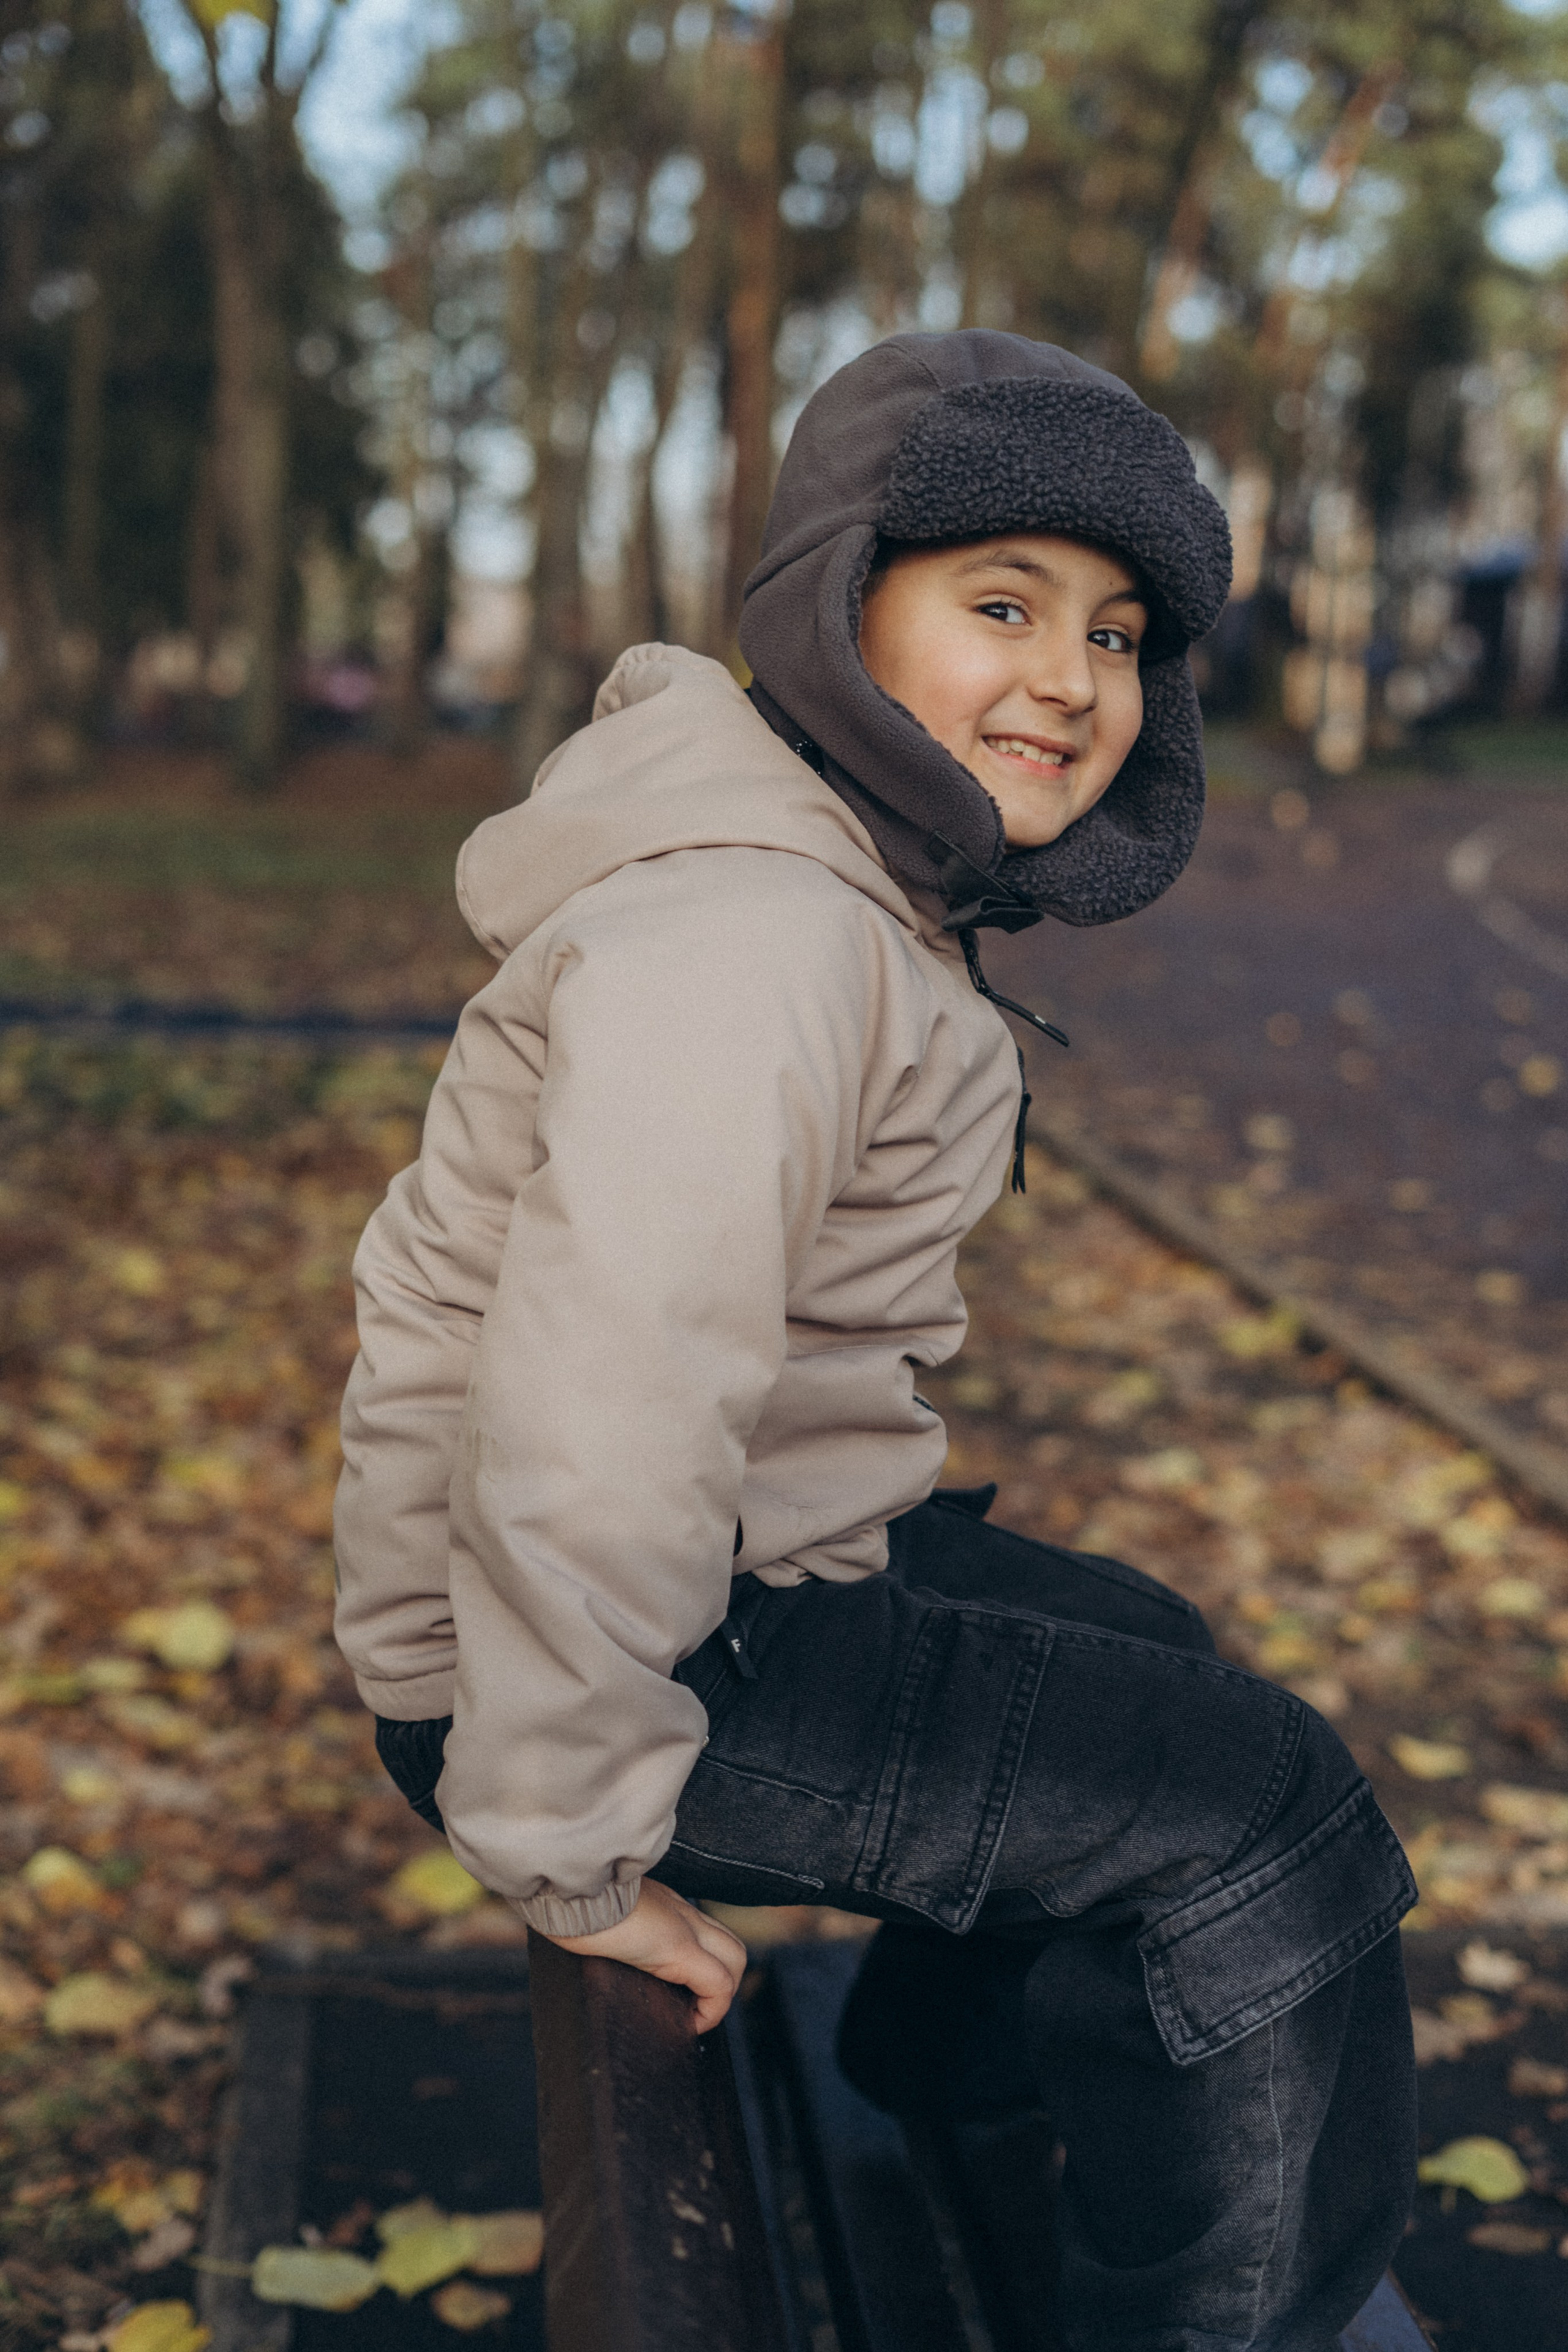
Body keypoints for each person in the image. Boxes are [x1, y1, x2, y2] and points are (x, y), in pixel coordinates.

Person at [334, 331, 1416, 2352]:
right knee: (1263, 1817)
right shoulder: (759, 938)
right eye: (997, 607)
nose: (1070, 679)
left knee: (1157, 1665)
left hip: (708, 1591)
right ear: (838, 606)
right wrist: (570, 1849)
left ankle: (970, 2121)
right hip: (616, 1656)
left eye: (1112, 633)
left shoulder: (841, 893)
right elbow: (602, 1405)